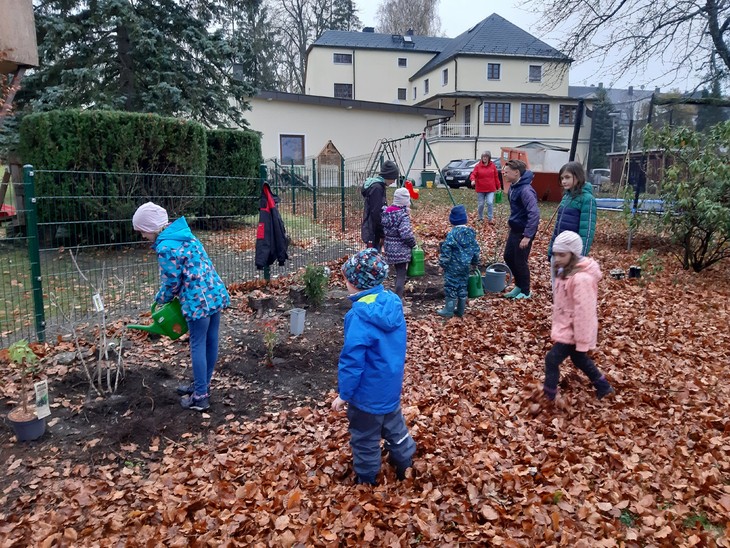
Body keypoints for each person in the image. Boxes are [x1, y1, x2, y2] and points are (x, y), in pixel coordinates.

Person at [132, 202, 230, 412]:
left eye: (142, 231)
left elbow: (172, 282)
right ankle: (202, 385)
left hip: (197, 301)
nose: (142, 236)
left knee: (197, 344)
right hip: (213, 292)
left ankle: (200, 396)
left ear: (150, 227)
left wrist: (162, 298)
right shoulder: (185, 235)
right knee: (210, 340)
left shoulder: (166, 247)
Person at [331, 249, 416, 485]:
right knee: (395, 429)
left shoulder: (358, 315)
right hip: (390, 388)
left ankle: (366, 479)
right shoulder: (392, 302)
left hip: (366, 397)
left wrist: (344, 395)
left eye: (346, 278)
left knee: (365, 438)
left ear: (353, 283)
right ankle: (405, 463)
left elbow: (352, 361)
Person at [543, 231, 614, 402]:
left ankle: (548, 396)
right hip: (568, 325)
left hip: (575, 329)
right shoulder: (565, 271)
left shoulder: (581, 279)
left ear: (573, 254)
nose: (557, 258)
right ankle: (603, 386)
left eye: (562, 254)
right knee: (579, 359)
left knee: (552, 359)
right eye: (555, 254)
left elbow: (585, 312)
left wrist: (582, 339)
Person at [548, 161, 597, 282]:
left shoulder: (587, 199)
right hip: (560, 251)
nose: (564, 181)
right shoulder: (566, 197)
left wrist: (580, 256)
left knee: (570, 284)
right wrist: (552, 249)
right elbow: (558, 227)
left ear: (578, 176)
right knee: (557, 285)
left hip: (572, 253)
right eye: (562, 178)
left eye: (567, 177)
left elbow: (587, 231)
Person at [502, 159, 539, 299]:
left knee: (520, 260)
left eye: (507, 172)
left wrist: (527, 235)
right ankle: (519, 286)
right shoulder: (513, 186)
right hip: (515, 228)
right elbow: (517, 209)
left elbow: (534, 213)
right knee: (508, 257)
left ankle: (525, 291)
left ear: (516, 173)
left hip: (524, 231)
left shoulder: (526, 190)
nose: (504, 174)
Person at [437, 205, 480, 318]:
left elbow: (446, 250)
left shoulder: (452, 234)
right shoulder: (471, 234)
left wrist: (442, 264)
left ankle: (449, 310)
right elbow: (476, 250)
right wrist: (475, 263)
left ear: (452, 220)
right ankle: (460, 310)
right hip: (465, 266)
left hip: (452, 266)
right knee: (462, 286)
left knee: (451, 286)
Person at [382, 187, 417, 300]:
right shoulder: (402, 215)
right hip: (401, 250)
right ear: (405, 201)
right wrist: (413, 244)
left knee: (394, 273)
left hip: (389, 248)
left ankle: (389, 295)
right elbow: (406, 234)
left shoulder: (386, 212)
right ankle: (398, 300)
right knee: (401, 274)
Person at [361, 160, 399, 251]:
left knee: (374, 258)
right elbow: (376, 213)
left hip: (374, 230)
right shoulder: (377, 188)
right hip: (373, 231)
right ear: (388, 175)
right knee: (374, 259)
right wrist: (382, 233)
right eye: (393, 178)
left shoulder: (379, 186)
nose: (393, 181)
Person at [469, 150, 501, 223]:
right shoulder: (478, 166)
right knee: (481, 204)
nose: (484, 158)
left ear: (489, 158)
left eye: (486, 157)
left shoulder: (493, 166)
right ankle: (480, 217)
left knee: (490, 202)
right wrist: (472, 180)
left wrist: (498, 186)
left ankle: (490, 218)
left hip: (491, 188)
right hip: (481, 189)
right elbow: (473, 174)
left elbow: (496, 177)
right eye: (483, 157)